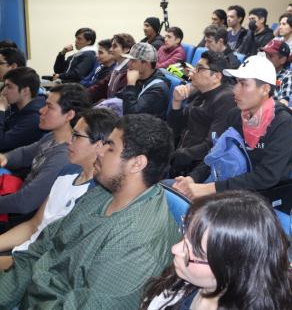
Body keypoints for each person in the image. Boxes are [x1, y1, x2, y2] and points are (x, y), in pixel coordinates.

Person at [0, 114, 180, 309]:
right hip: (32, 293)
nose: (99, 151)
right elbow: (40, 248)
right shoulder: (102, 193)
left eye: (109, 146)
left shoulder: (140, 242)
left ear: (137, 163)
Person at [140, 191, 292, 310]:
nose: (175, 249)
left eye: (194, 252)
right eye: (185, 237)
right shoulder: (182, 281)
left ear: (230, 270)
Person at [0, 108, 117, 271]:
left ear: (98, 145)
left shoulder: (96, 197)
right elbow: (34, 225)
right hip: (22, 255)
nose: (69, 141)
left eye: (77, 136)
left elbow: (55, 258)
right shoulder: (68, 171)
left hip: (37, 269)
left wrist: (7, 262)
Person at [173, 55, 292, 199]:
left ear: (264, 89)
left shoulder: (282, 124)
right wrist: (193, 179)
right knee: (172, 192)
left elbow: (266, 176)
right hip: (227, 184)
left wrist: (210, 188)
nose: (235, 90)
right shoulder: (236, 115)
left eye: (243, 84)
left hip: (255, 199)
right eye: (237, 83)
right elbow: (216, 153)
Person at [0, 84, 91, 221]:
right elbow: (25, 154)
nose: (41, 111)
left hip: (22, 218)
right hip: (17, 200)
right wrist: (4, 158)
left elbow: (25, 202)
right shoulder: (53, 137)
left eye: (50, 107)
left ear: (69, 115)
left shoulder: (64, 157)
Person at [167, 51, 235, 177]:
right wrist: (176, 102)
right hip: (181, 158)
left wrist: (178, 155)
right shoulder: (201, 91)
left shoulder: (226, 99)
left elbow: (213, 144)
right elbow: (174, 130)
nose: (192, 72)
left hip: (198, 169)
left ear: (216, 77)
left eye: (199, 69)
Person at [119, 42, 170, 118]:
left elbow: (130, 115)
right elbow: (119, 96)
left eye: (133, 61)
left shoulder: (158, 89)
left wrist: (130, 85)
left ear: (146, 64)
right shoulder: (140, 78)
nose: (128, 64)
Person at [0, 67, 45, 153]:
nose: (3, 92)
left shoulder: (34, 119)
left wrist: (1, 111)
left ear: (25, 91)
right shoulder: (15, 107)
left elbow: (1, 144)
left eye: (9, 87)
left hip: (13, 163)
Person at [88, 33, 135, 103]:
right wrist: (81, 94)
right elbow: (101, 87)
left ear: (126, 49)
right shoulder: (117, 67)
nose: (110, 49)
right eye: (111, 46)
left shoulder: (130, 70)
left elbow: (119, 97)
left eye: (114, 46)